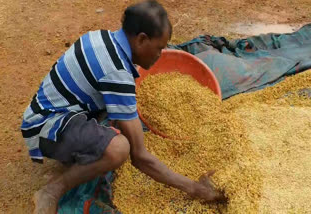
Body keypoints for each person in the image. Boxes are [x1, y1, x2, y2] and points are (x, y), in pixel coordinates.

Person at [21, 1, 225, 213]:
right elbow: (140, 157)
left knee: (120, 124)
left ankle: (80, 152)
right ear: (141, 39)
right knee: (118, 149)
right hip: (46, 126)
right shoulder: (117, 72)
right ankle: (52, 190)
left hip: (52, 112)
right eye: (158, 48)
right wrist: (195, 188)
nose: (160, 55)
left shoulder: (103, 37)